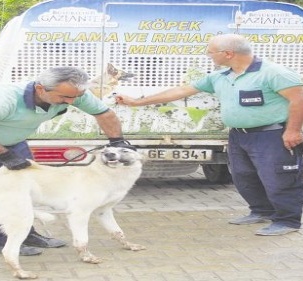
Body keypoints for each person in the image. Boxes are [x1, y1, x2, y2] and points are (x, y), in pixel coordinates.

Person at [115, 33, 303, 236]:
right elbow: (181, 91)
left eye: (211, 52)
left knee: (278, 178)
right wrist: (137, 102)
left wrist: (292, 130)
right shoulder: (220, 76)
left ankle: (288, 220)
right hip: (239, 136)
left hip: (271, 135)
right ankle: (261, 211)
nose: (208, 55)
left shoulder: (273, 73)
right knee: (244, 177)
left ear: (228, 53)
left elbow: (299, 99)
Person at [0, 66, 136, 255]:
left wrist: (118, 142)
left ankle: (25, 234)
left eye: (76, 97)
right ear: (41, 89)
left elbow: (105, 114)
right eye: (64, 97)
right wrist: (4, 156)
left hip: (12, 142)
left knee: (27, 188)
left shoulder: (73, 94)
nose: (71, 102)